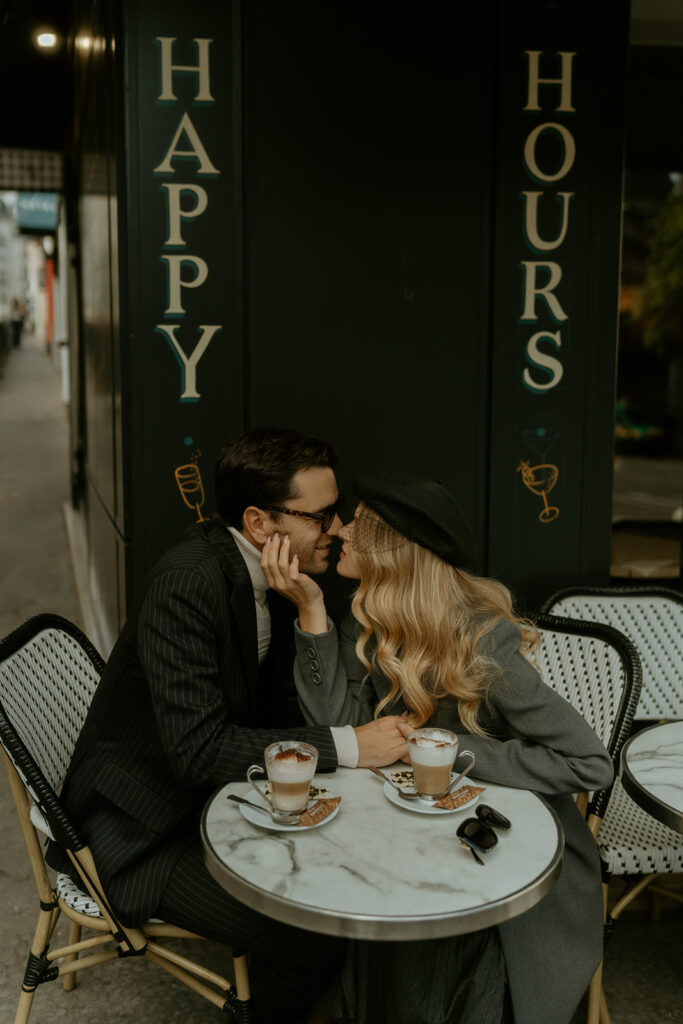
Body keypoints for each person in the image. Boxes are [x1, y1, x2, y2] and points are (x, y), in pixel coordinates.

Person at [47, 429, 408, 1024]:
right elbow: (197, 753)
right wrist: (348, 745)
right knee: (311, 939)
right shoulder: (189, 583)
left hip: (207, 800)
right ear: (261, 524)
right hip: (140, 831)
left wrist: (308, 609)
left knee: (341, 883)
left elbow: (263, 711)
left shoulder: (256, 575)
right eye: (321, 516)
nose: (339, 529)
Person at [262, 469, 614, 1024]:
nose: (340, 531)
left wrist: (450, 752)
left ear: (393, 550)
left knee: (427, 957)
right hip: (410, 838)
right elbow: (338, 727)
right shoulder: (369, 621)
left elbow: (590, 762)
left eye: (355, 524)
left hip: (505, 857)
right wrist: (310, 610)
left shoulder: (482, 641)